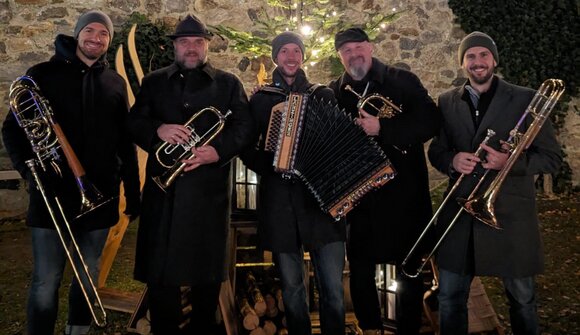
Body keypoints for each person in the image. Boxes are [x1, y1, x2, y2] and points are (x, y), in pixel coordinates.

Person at [1, 10, 141, 335]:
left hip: (101, 197)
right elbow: (13, 130)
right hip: (51, 196)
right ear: (77, 35)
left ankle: (77, 330)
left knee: (88, 274)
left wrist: (132, 195)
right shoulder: (42, 74)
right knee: (46, 279)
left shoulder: (115, 83)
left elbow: (125, 144)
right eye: (89, 31)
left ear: (109, 39)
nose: (96, 38)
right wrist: (29, 171)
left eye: (103, 33)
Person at [428, 31, 562, 335]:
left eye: (483, 55)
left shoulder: (527, 98)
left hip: (509, 212)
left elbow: (552, 159)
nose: (478, 62)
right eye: (471, 56)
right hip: (460, 213)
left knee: (522, 299)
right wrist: (452, 160)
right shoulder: (447, 101)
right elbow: (437, 150)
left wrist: (509, 163)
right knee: (449, 298)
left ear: (494, 60)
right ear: (462, 63)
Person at [128, 14, 254, 334]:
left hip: (207, 194)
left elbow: (245, 127)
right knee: (161, 275)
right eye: (184, 42)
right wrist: (159, 129)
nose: (192, 48)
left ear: (207, 45)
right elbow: (133, 123)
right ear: (175, 46)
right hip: (163, 195)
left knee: (205, 277)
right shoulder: (154, 82)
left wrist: (218, 151)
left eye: (198, 42)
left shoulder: (228, 83)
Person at [329, 28, 441, 335]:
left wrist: (383, 127)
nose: (354, 55)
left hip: (405, 195)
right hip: (362, 197)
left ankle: (407, 329)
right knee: (362, 271)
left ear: (370, 47)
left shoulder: (402, 80)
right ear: (340, 57)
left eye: (358, 47)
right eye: (346, 51)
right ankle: (370, 329)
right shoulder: (335, 90)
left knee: (409, 269)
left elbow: (431, 121)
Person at [240, 31, 346, 335]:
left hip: (320, 204)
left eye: (296, 51)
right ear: (276, 57)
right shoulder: (261, 100)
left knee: (333, 292)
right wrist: (272, 163)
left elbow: (338, 142)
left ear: (303, 57)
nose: (290, 57)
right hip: (280, 206)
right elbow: (247, 150)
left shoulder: (322, 94)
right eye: (284, 51)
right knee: (292, 289)